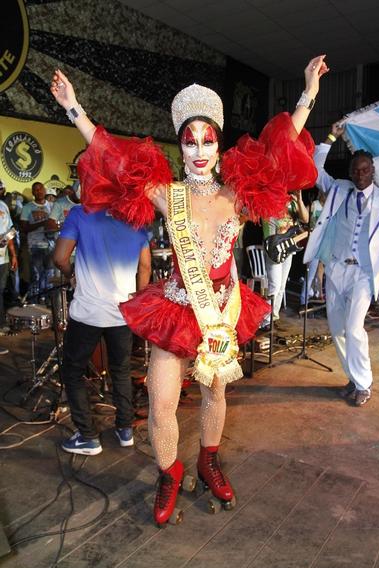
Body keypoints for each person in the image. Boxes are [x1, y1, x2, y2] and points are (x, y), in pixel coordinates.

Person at [51, 54, 328, 525]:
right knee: (161, 404)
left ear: (219, 146)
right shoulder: (167, 193)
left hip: (221, 311)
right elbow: (114, 160)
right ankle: (170, 471)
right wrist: (75, 109)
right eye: (190, 140)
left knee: (215, 395)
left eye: (208, 140)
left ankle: (208, 458)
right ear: (180, 146)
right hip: (178, 309)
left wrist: (308, 96)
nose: (199, 149)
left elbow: (276, 155)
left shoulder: (238, 195)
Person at [53, 205, 151, 455]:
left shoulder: (80, 213)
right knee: (121, 369)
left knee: (73, 372)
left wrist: (71, 275)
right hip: (121, 312)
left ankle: (87, 436)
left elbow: (60, 258)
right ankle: (125, 429)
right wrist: (136, 301)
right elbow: (145, 267)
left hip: (88, 312)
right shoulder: (134, 215)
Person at [304, 121, 379, 407]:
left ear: (372, 171)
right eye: (355, 170)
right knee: (336, 329)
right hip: (336, 269)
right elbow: (314, 170)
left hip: (363, 273)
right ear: (350, 172)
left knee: (353, 327)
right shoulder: (338, 189)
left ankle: (364, 384)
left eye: (364, 170)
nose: (360, 175)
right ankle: (352, 377)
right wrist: (330, 137)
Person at [261, 189, 309, 330]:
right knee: (274, 285)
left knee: (281, 286)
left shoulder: (292, 201)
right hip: (274, 248)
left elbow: (305, 219)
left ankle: (273, 317)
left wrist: (299, 200)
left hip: (288, 248)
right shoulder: (270, 198)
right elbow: (267, 224)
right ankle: (265, 321)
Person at [20, 182, 53, 302]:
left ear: (45, 190)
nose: (39, 191)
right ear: (33, 193)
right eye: (36, 190)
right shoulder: (27, 207)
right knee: (36, 276)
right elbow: (24, 228)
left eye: (41, 189)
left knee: (49, 276)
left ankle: (47, 303)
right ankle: (34, 303)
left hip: (51, 246)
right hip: (35, 246)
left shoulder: (52, 206)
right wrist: (42, 223)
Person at [0, 192, 18, 344]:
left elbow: (11, 232)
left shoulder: (3, 206)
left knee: (0, 291)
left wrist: (13, 255)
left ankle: (1, 324)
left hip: (3, 258)